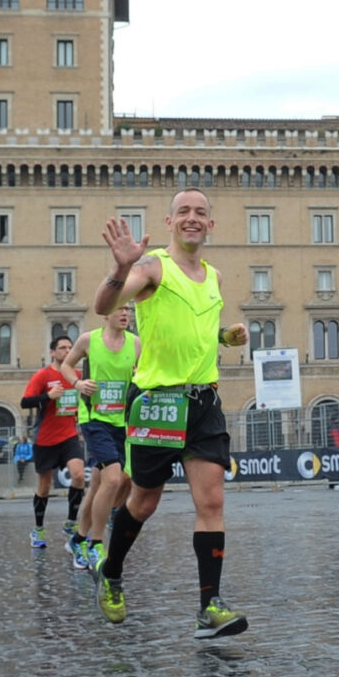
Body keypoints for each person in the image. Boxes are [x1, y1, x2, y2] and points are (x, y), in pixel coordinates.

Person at [89, 188, 251, 637]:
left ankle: (209, 605)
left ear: (211, 224)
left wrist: (223, 338)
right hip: (157, 402)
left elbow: (190, 328)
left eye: (201, 212)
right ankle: (112, 570)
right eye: (184, 211)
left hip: (203, 401)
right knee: (143, 500)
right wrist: (120, 269)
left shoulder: (214, 276)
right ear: (170, 221)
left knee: (212, 500)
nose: (192, 218)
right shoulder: (153, 266)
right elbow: (104, 305)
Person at [59, 304, 141, 571]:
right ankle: (96, 544)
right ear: (106, 314)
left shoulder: (136, 344)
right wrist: (78, 384)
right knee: (114, 478)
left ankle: (78, 539)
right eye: (120, 309)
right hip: (94, 419)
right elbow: (66, 366)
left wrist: (141, 378)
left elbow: (143, 372)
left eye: (129, 309)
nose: (125, 313)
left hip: (122, 421)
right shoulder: (88, 340)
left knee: (99, 486)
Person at [19, 335, 88, 551]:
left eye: (70, 347)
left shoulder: (77, 376)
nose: (67, 351)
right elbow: (24, 402)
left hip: (69, 435)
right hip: (45, 439)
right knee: (44, 486)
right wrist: (48, 396)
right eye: (62, 348)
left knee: (78, 475)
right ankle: (38, 528)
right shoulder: (43, 375)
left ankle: (70, 522)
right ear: (52, 352)